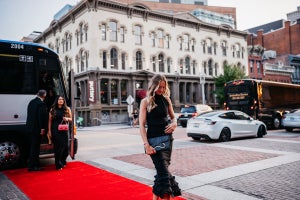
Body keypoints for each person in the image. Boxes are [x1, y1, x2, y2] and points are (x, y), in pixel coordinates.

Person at [139, 74, 181, 200]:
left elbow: (173, 117)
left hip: (167, 140)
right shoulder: (145, 101)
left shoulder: (166, 99)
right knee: (164, 176)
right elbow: (141, 125)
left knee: (161, 175)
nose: (161, 90)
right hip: (153, 142)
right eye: (159, 87)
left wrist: (174, 124)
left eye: (163, 87)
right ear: (153, 86)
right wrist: (146, 145)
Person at [47, 95, 72, 170]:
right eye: (59, 99)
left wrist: (67, 118)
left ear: (64, 101)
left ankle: (62, 160)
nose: (60, 100)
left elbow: (71, 119)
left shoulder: (67, 109)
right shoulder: (53, 109)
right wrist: (49, 131)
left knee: (66, 148)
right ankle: (58, 164)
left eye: (62, 99)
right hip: (55, 130)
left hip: (64, 130)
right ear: (57, 101)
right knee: (57, 148)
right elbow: (50, 121)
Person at [26, 89, 48, 171]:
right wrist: (42, 128)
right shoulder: (41, 104)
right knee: (35, 148)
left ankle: (33, 165)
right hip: (37, 129)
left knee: (32, 147)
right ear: (44, 96)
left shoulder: (31, 102)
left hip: (30, 128)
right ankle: (33, 166)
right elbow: (40, 117)